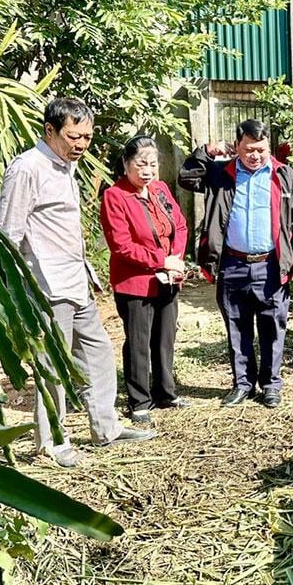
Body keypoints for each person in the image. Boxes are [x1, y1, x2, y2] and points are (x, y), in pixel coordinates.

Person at [0, 97, 155, 467]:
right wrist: (15, 289)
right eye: (74, 135)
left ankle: (106, 428)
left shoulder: (65, 165)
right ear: (50, 130)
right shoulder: (27, 169)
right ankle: (51, 442)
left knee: (98, 353)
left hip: (76, 279)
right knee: (52, 364)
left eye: (87, 136)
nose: (82, 144)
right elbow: (6, 233)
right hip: (45, 285)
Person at [179, 119, 293, 409]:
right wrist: (206, 151)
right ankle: (242, 384)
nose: (255, 155)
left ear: (269, 148)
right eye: (249, 149)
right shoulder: (221, 173)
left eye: (261, 150)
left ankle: (271, 385)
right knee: (237, 327)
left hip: (271, 266)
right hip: (232, 264)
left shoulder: (284, 176)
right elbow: (186, 177)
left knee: (272, 327)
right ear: (237, 146)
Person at [100, 136, 189, 425]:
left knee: (165, 338)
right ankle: (139, 400)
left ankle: (166, 392)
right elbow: (121, 245)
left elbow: (181, 225)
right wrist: (161, 261)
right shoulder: (115, 196)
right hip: (134, 282)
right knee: (138, 342)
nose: (147, 170)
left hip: (168, 279)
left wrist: (175, 258)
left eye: (153, 164)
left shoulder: (161, 190)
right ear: (126, 164)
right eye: (141, 164)